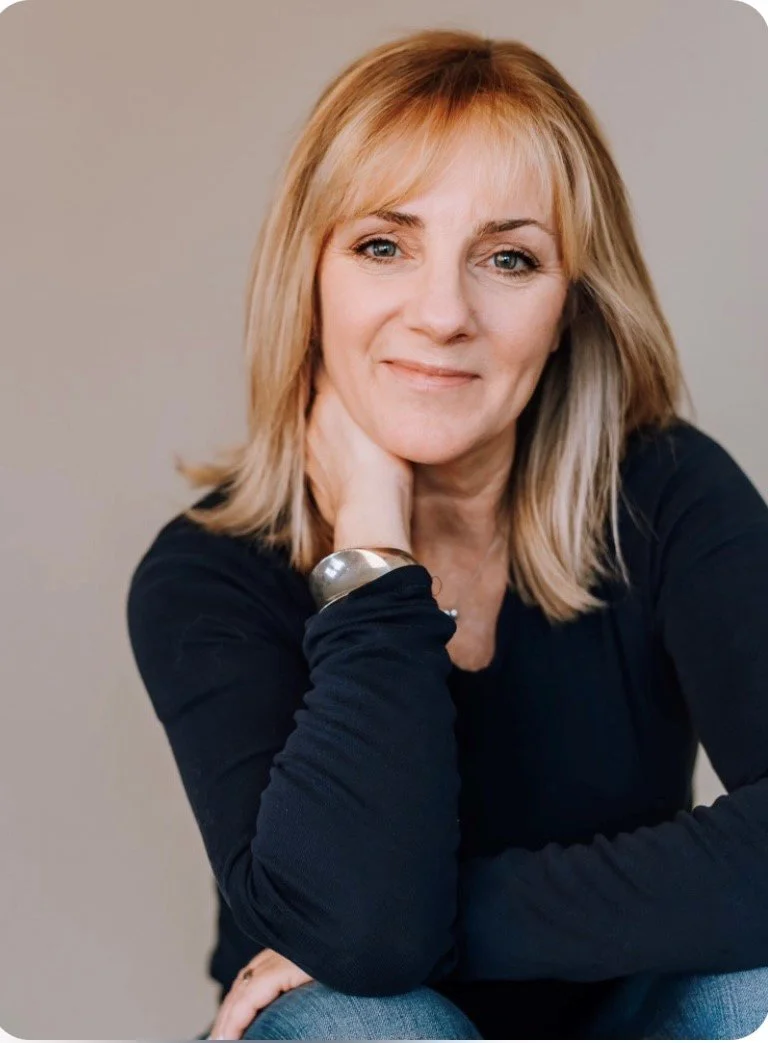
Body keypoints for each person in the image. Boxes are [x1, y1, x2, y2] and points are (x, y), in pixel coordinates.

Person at [125, 27, 768, 1041]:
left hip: (624, 1015)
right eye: (384, 245)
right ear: (313, 275)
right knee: (372, 1021)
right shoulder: (208, 572)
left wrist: (441, 917)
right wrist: (372, 542)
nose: (443, 313)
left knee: (755, 987)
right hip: (351, 1015)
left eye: (509, 259)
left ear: (567, 309)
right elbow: (368, 954)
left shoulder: (666, 491)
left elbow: (374, 924)